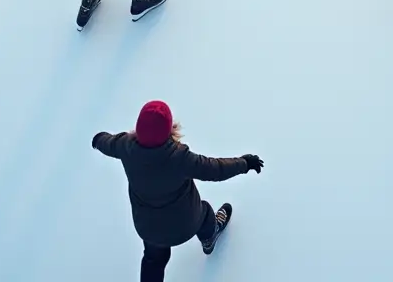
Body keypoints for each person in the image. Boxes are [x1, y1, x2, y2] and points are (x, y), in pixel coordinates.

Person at [92, 100, 264, 282]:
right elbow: (215, 169)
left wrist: (97, 139)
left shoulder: (125, 146)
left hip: (149, 228)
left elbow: (107, 143)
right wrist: (244, 163)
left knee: (154, 260)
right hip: (186, 223)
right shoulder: (180, 158)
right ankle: (209, 237)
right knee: (205, 212)